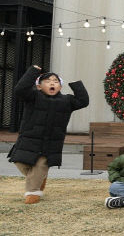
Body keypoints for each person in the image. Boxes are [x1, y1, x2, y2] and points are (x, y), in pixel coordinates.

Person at [9, 65, 89, 204]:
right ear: (39, 86)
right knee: (20, 162)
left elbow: (83, 101)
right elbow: (20, 90)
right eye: (47, 81)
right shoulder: (33, 96)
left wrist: (76, 85)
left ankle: (33, 192)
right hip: (29, 139)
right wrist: (33, 71)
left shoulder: (67, 101)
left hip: (51, 142)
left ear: (60, 86)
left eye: (56, 81)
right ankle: (40, 177)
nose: (52, 83)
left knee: (40, 164)